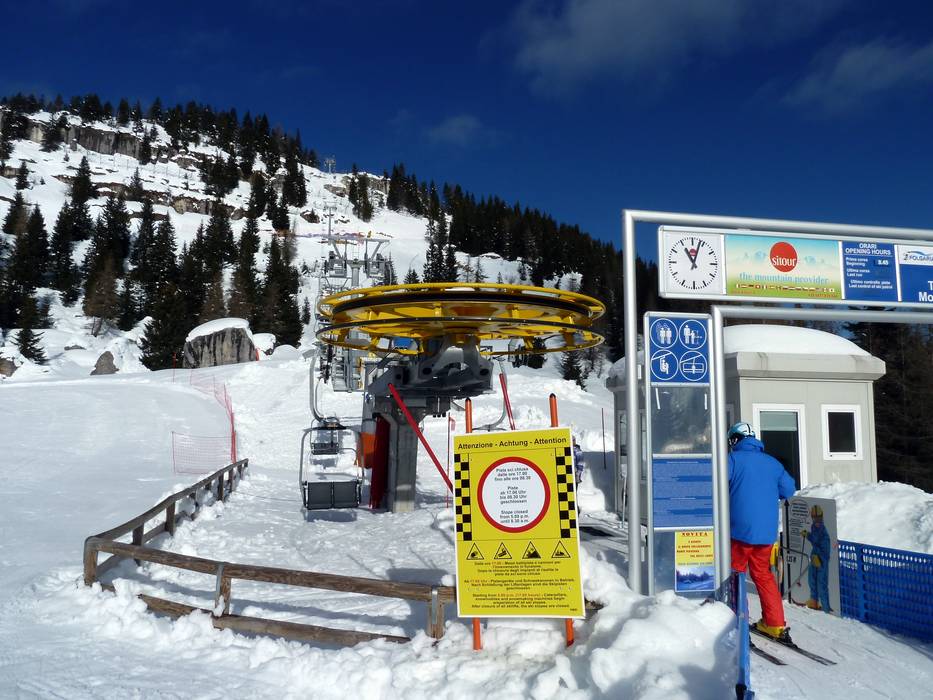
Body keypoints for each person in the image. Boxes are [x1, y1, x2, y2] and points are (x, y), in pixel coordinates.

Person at [727, 421, 797, 641]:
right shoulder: (773, 463)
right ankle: (775, 624)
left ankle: (738, 623)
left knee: (735, 574)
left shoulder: (732, 460)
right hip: (766, 533)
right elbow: (789, 490)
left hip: (739, 532)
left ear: (735, 440)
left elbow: (716, 486)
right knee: (763, 574)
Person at [802, 504, 832, 613]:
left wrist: (820, 559)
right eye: (815, 519)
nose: (817, 521)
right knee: (812, 580)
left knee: (821, 583)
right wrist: (808, 535)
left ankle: (825, 607)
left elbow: (825, 550)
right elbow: (815, 540)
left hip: (822, 560)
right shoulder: (814, 527)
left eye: (819, 518)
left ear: (822, 517)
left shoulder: (824, 533)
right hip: (814, 556)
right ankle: (814, 601)